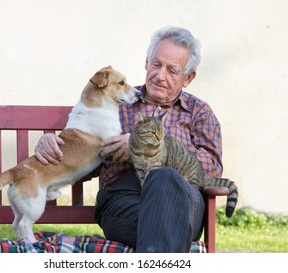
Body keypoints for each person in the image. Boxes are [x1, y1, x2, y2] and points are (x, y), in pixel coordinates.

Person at [34, 26, 223, 253]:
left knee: (165, 180)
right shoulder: (113, 105)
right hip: (124, 198)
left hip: (183, 199)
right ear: (146, 62)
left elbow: (211, 172)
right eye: (156, 64)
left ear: (188, 78)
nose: (160, 75)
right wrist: (50, 144)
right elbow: (82, 155)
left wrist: (143, 148)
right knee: (169, 226)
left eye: (172, 70)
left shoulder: (199, 113)